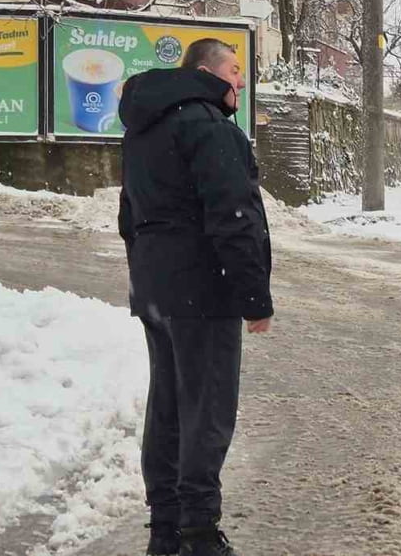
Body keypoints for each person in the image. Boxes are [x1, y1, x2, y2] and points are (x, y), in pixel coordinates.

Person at [118, 38, 273, 556]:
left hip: (156, 286)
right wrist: (254, 296)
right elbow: (234, 216)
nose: (241, 80)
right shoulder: (208, 126)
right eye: (235, 69)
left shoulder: (145, 125)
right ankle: (200, 535)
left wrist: (148, 275)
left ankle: (165, 527)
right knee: (206, 410)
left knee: (168, 407)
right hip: (203, 288)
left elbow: (129, 215)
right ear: (208, 71)